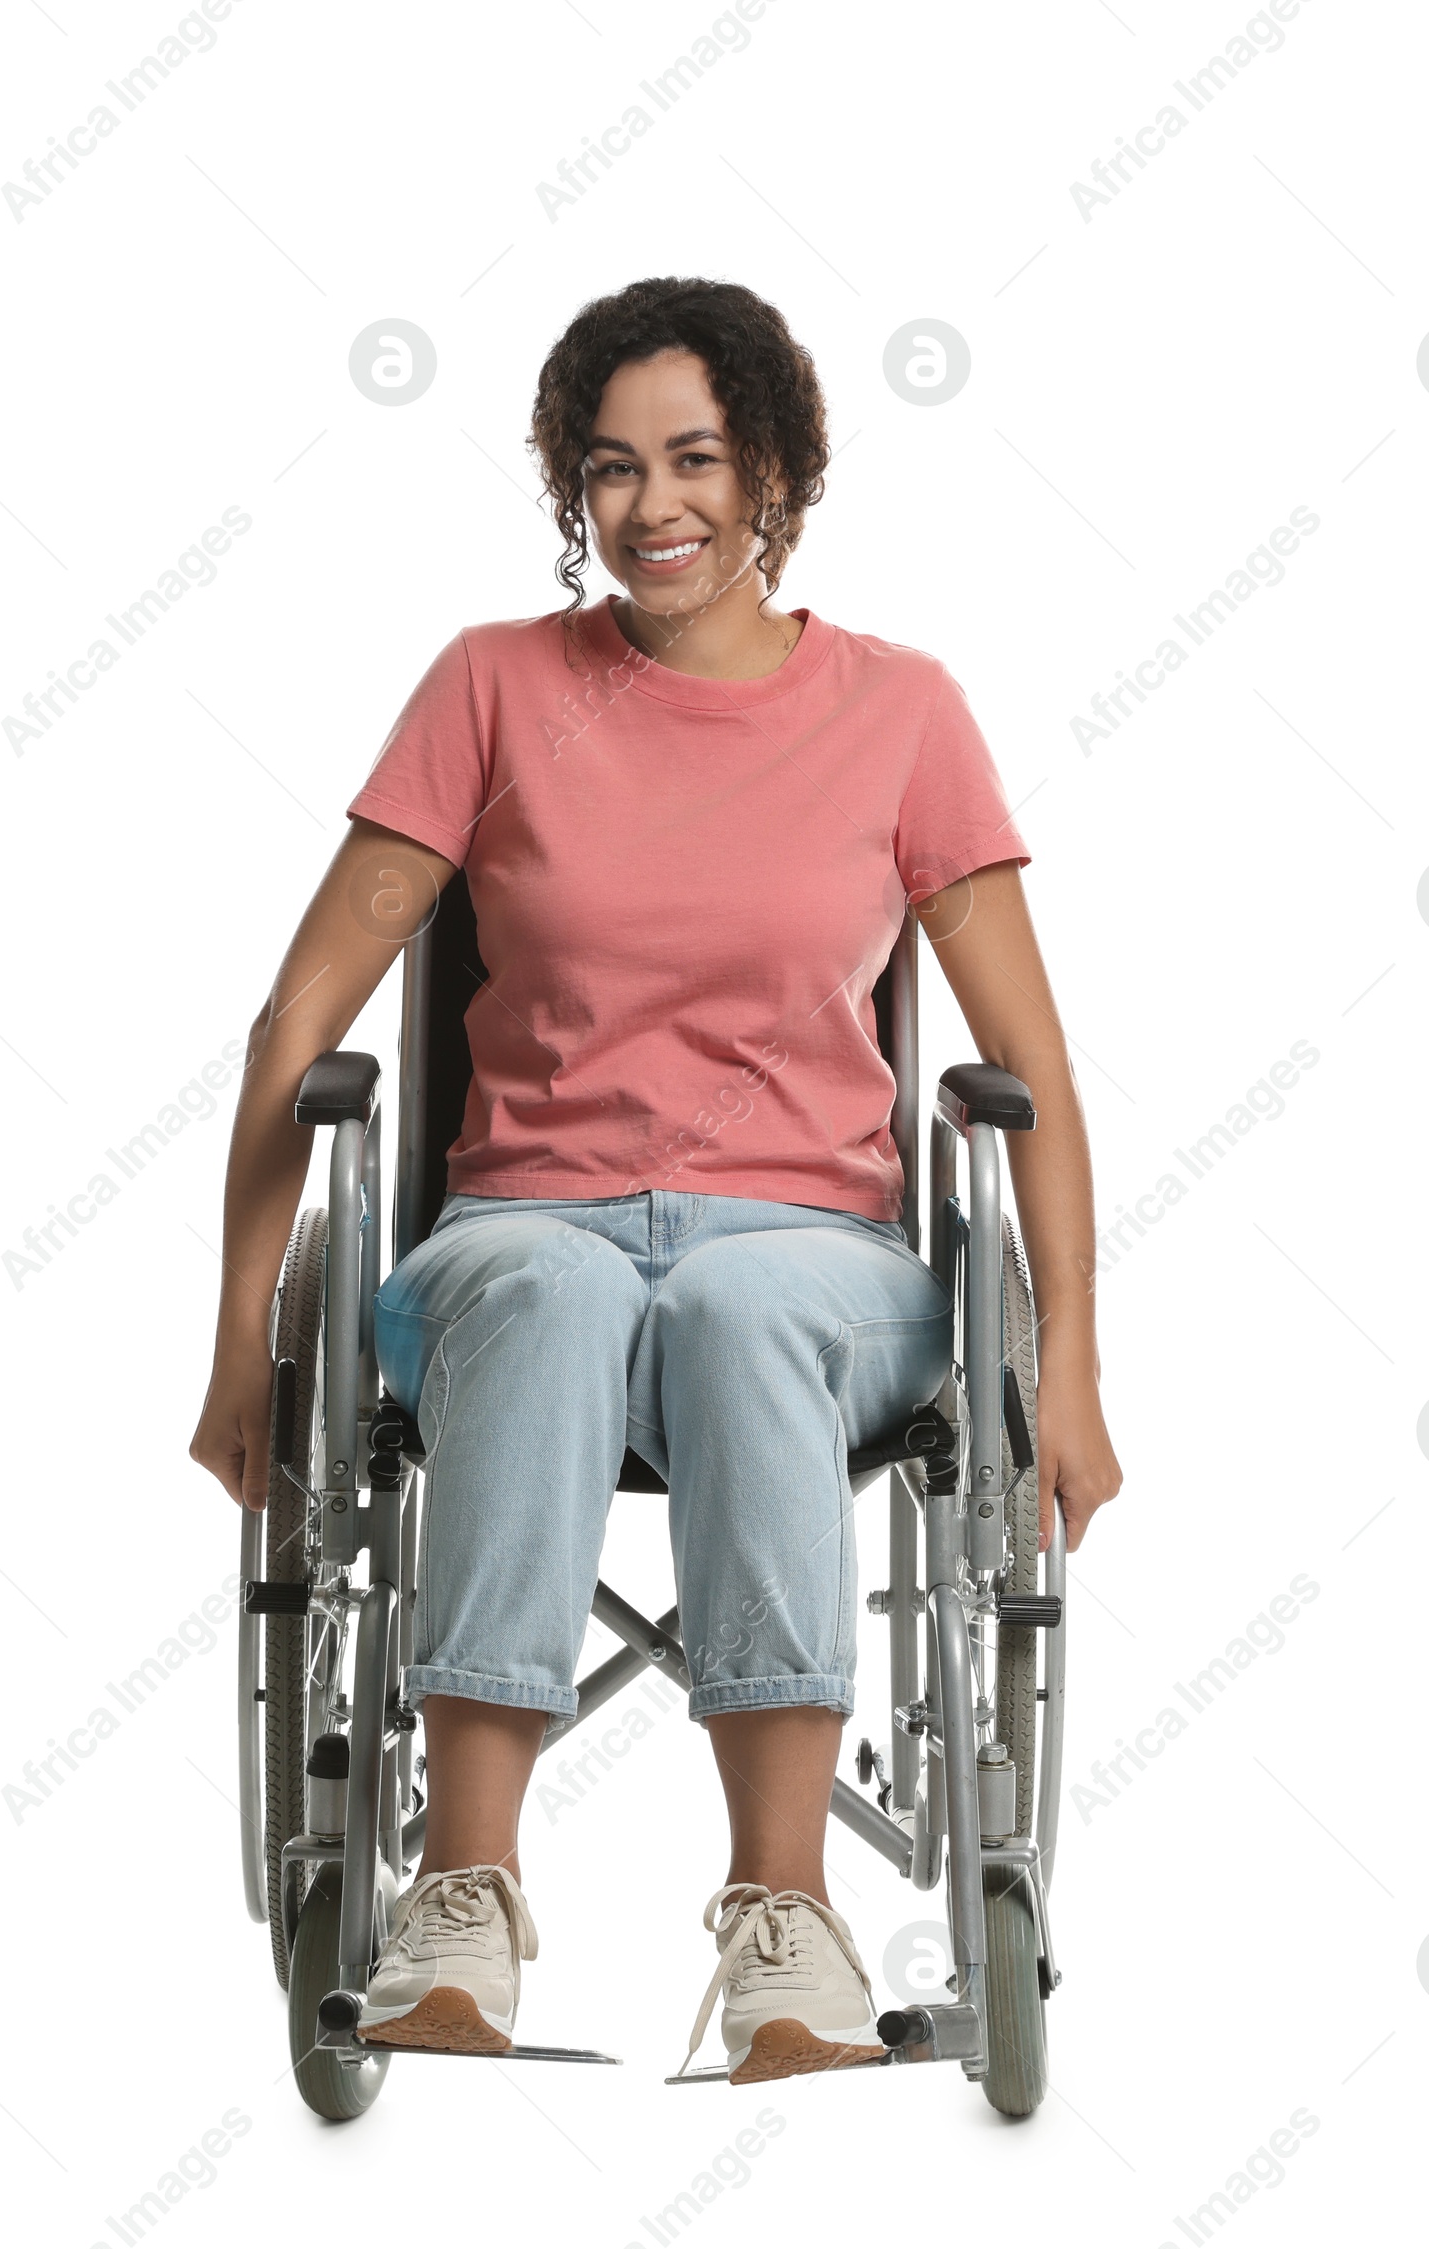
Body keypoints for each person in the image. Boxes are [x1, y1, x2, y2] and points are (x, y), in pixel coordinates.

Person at [190, 275, 1122, 2085]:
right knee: (543, 1288)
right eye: (610, 469)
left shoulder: (903, 711)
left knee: (743, 1294)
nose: (654, 506)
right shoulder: (492, 685)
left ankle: (786, 1922)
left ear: (774, 469)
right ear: (571, 489)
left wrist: (1067, 1359)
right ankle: (458, 1893)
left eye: (695, 458)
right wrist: (244, 1338)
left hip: (813, 1253)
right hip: (518, 1233)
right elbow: (306, 1004)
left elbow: (1036, 1069)